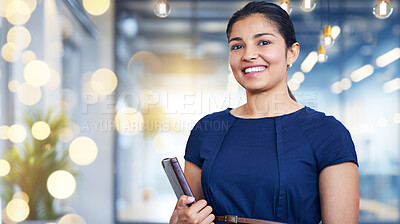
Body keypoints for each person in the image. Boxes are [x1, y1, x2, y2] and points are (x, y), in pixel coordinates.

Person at [169, 1, 359, 224]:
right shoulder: (207, 130)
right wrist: (180, 220)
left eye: (264, 42)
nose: (249, 55)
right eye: (237, 46)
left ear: (291, 53)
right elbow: (185, 215)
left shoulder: (327, 133)